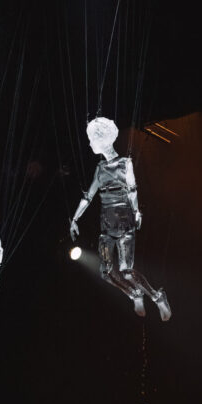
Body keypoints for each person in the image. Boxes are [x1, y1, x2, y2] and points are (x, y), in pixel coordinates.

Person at [70, 116, 171, 320]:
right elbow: (88, 197)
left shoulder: (125, 163)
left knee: (126, 270)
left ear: (102, 140)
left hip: (124, 221)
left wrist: (136, 212)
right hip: (107, 224)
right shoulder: (100, 169)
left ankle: (157, 296)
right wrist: (74, 218)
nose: (90, 144)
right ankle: (134, 293)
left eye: (92, 139)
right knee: (106, 272)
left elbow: (132, 189)